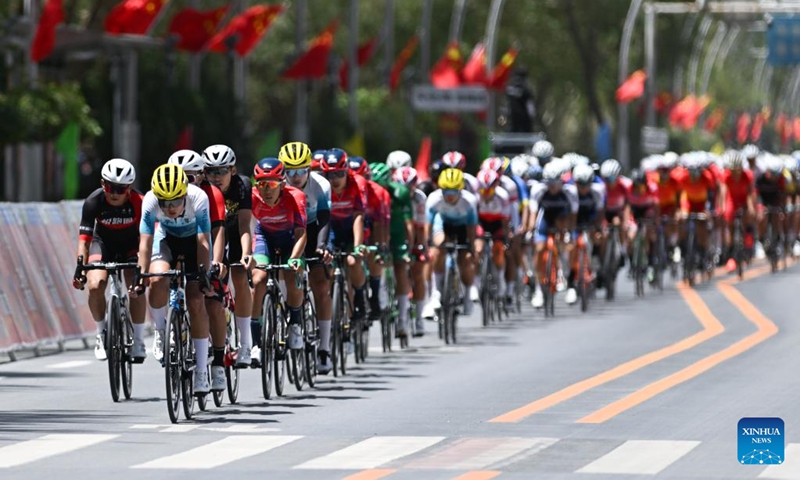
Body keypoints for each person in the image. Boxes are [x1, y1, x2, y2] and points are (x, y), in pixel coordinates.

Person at [133, 163, 218, 393]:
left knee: (196, 300)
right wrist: (141, 276)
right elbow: (146, 242)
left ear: (184, 194)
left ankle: (201, 371)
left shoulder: (198, 198)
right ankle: (161, 332)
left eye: (176, 202)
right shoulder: (150, 201)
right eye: (165, 203)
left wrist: (204, 276)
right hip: (167, 239)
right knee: (158, 278)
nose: (170, 208)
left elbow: (203, 241)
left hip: (195, 243)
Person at [167, 150, 230, 391]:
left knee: (212, 303)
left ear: (201, 177)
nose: (183, 184)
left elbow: (217, 232)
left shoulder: (210, 195)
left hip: (208, 244)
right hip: (178, 244)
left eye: (189, 178)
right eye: (178, 177)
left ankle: (218, 362)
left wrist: (216, 263)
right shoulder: (168, 195)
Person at [73, 158, 147, 362]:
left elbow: (146, 239)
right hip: (103, 243)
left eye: (120, 189)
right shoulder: (93, 202)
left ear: (129, 188)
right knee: (95, 285)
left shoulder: (140, 202)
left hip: (133, 245)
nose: (114, 193)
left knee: (136, 286)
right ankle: (100, 333)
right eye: (109, 187)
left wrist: (143, 264)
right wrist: (80, 266)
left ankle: (139, 340)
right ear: (102, 184)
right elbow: (84, 240)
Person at [279, 142, 334, 375]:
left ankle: (324, 347)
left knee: (321, 284)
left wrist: (322, 246)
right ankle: (285, 315)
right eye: (290, 171)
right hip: (285, 231)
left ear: (309, 168)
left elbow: (324, 218)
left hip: (313, 231)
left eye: (301, 170)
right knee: (284, 275)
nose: (295, 176)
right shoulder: (275, 185)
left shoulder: (321, 185)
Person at [201, 145, 255, 369]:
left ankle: (245, 343)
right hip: (212, 237)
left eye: (221, 171)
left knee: (240, 276)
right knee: (211, 288)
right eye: (211, 171)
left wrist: (246, 254)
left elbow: (244, 225)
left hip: (234, 232)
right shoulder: (201, 189)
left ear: (232, 170)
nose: (216, 177)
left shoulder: (242, 185)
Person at [250, 158, 308, 351]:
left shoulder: (296, 197)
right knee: (258, 279)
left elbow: (301, 233)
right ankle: (256, 340)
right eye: (261, 184)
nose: (266, 190)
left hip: (290, 239)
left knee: (293, 275)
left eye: (272, 184)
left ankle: (296, 324)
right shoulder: (252, 197)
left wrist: (294, 258)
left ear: (282, 183)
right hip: (264, 237)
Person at [320, 148, 369, 324]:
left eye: (340, 173)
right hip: (331, 228)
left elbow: (359, 217)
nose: (334, 179)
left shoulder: (359, 183)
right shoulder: (323, 186)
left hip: (351, 227)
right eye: (330, 175)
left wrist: (357, 247)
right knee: (329, 267)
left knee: (352, 261)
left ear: (347, 170)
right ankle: (335, 310)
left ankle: (360, 296)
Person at [422, 168, 478, 319]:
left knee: (466, 259)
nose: (450, 196)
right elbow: (428, 225)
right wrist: (428, 244)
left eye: (454, 191)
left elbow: (472, 228)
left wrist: (471, 247)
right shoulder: (434, 199)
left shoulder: (470, 201)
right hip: (443, 225)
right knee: (437, 251)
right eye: (446, 191)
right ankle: (436, 293)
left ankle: (467, 295)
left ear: (461, 190)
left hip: (463, 228)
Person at [529, 162, 578, 307]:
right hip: (545, 219)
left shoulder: (570, 191)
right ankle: (538, 288)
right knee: (539, 249)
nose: (552, 186)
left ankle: (569, 281)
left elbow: (572, 214)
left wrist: (570, 232)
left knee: (566, 249)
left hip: (562, 218)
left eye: (555, 183)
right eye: (548, 183)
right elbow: (533, 213)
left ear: (561, 181)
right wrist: (531, 230)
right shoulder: (538, 189)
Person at [392, 166, 429, 336]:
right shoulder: (392, 195)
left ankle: (419, 318)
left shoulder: (420, 198)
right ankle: (401, 318)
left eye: (410, 186)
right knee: (399, 271)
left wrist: (422, 248)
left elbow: (421, 227)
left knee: (418, 274)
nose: (407, 190)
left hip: (415, 233)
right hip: (397, 233)